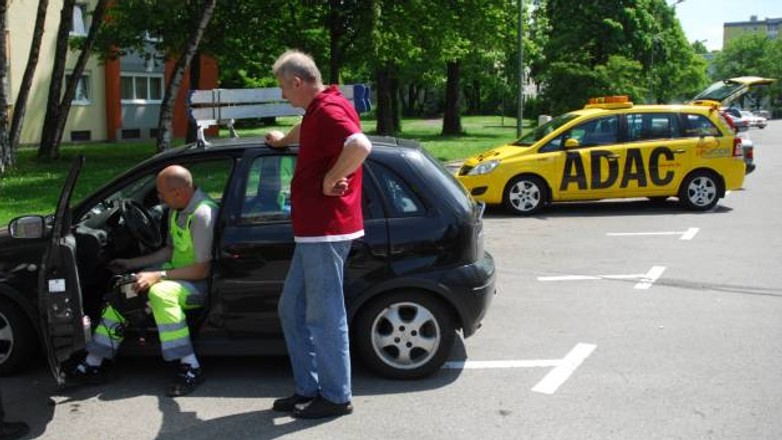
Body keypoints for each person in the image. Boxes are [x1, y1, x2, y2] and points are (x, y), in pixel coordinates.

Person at [265, 49, 372, 419]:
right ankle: (308, 388)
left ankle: (336, 396)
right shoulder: (320, 107)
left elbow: (360, 144)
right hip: (313, 231)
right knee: (291, 309)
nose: (283, 95)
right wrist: (283, 141)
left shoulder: (328, 110)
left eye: (283, 88)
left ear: (297, 82)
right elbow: (309, 126)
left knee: (324, 315)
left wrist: (330, 179)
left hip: (326, 231)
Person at [68, 165, 218, 397]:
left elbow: (202, 270)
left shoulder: (202, 215)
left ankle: (190, 366)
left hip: (198, 285)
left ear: (178, 192)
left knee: (160, 293)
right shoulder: (177, 210)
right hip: (177, 276)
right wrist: (131, 264)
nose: (159, 198)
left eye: (161, 193)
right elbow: (169, 252)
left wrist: (158, 276)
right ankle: (94, 362)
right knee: (125, 288)